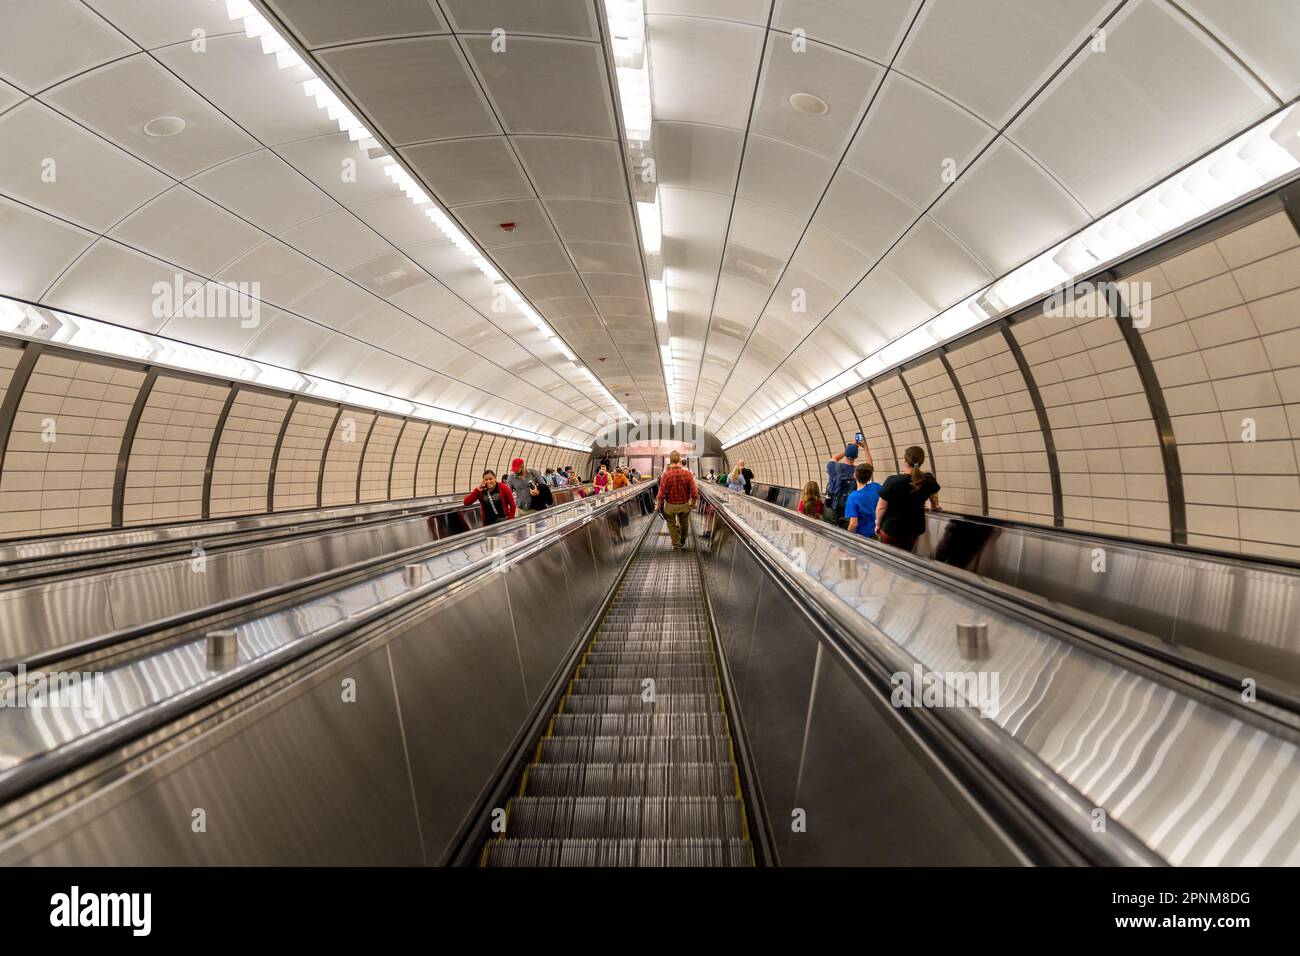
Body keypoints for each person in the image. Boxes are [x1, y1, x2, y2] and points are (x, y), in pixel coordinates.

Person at [875, 445, 941, 551]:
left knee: (889, 557)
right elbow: (934, 493)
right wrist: (934, 505)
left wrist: (877, 523)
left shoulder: (893, 481)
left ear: (905, 460)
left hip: (891, 529)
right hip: (913, 530)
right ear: (922, 461)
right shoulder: (928, 480)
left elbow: (881, 508)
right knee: (907, 555)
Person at [655, 451, 698, 550]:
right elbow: (694, 491)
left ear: (670, 461)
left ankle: (676, 544)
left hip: (670, 505)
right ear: (679, 460)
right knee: (684, 523)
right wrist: (694, 503)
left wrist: (658, 505)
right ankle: (682, 541)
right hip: (684, 504)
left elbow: (661, 494)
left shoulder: (666, 475)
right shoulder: (688, 474)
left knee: (671, 524)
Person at [826, 442, 870, 527]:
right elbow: (869, 466)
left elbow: (835, 458)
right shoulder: (858, 472)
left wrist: (848, 449)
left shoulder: (832, 466)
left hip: (831, 508)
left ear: (845, 454)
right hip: (849, 511)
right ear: (856, 457)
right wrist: (865, 448)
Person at [844, 462, 882, 539]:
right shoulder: (876, 486)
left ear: (854, 475)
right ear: (870, 476)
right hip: (876, 532)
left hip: (862, 536)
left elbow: (853, 523)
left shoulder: (853, 497)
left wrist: (847, 538)